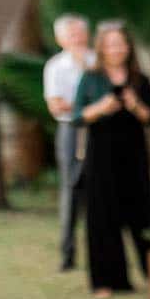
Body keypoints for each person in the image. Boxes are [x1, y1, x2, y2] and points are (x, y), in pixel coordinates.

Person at [73, 21, 150, 298]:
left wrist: (135, 106)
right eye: (110, 44)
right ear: (101, 47)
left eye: (120, 43)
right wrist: (99, 108)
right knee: (102, 216)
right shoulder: (91, 77)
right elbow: (76, 117)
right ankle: (106, 280)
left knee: (141, 213)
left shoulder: (139, 79)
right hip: (101, 156)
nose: (116, 49)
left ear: (128, 46)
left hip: (133, 154)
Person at [44, 14, 94, 271]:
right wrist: (90, 106)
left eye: (79, 32)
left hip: (100, 132)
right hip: (70, 132)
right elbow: (56, 105)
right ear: (60, 38)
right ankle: (67, 254)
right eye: (70, 34)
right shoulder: (55, 66)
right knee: (71, 190)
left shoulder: (98, 61)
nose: (76, 38)